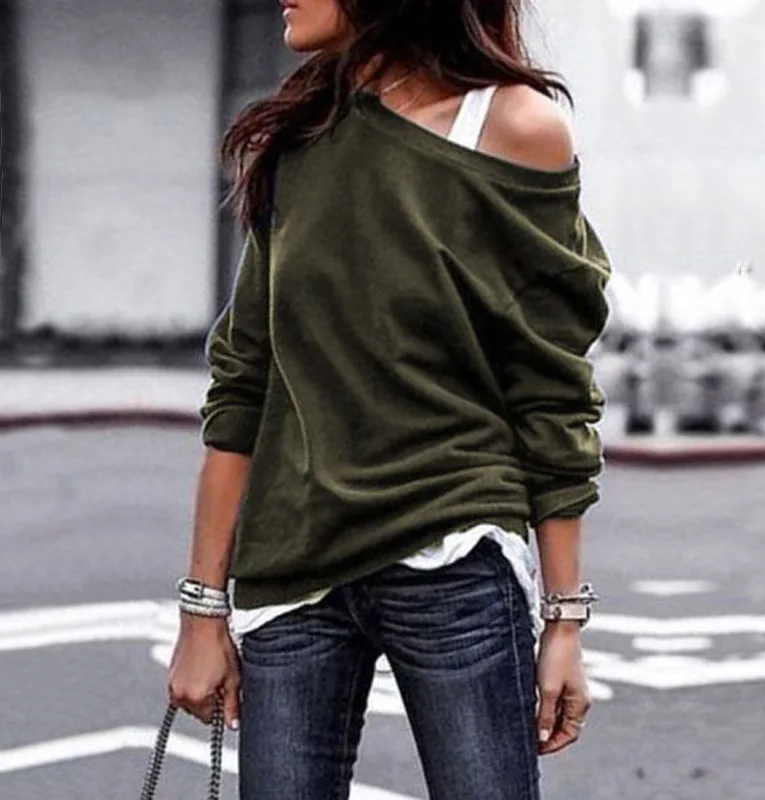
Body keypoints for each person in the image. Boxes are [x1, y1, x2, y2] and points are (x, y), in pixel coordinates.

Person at [167, 1, 612, 797]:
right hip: (292, 573)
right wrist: (202, 611)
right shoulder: (298, 137)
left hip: (453, 555)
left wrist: (564, 619)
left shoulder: (513, 127)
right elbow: (243, 383)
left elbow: (550, 386)